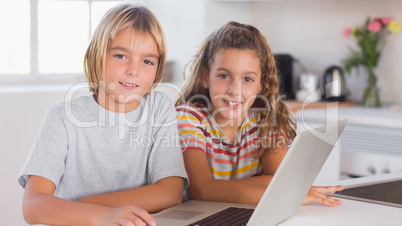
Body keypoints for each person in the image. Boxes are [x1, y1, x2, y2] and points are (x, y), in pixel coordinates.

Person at [18, 3, 188, 226]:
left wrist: (88, 203)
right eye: (120, 55)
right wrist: (101, 215)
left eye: (147, 61)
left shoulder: (159, 107)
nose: (134, 70)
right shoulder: (62, 118)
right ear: (97, 55)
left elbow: (171, 192)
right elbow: (33, 206)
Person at [175, 21, 343, 207]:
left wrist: (217, 188)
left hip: (249, 212)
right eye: (224, 76)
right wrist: (287, 195)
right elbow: (200, 191)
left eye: (247, 79)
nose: (234, 90)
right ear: (206, 76)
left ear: (261, 83)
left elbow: (283, 182)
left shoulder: (266, 120)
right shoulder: (189, 118)